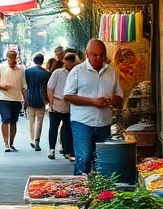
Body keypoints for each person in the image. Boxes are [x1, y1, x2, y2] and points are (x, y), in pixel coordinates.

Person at [64, 39, 124, 175]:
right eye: (94, 55)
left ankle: (100, 194)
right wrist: (93, 101)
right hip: (82, 123)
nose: (98, 58)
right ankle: (80, 192)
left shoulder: (111, 72)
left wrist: (113, 100)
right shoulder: (77, 71)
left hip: (104, 123)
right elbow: (67, 96)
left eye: (101, 55)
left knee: (102, 161)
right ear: (87, 54)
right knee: (84, 158)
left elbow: (119, 97)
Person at [0, 49, 27, 152]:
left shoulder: (21, 69)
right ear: (7, 58)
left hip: (16, 98)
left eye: (15, 57)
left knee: (14, 121)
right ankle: (6, 143)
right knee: (6, 119)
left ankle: (11, 142)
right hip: (3, 98)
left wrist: (25, 100)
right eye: (11, 58)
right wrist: (3, 86)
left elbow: (24, 86)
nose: (13, 60)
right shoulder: (0, 67)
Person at [46, 50, 78, 160]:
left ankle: (67, 150)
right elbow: (50, 88)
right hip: (56, 104)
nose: (66, 64)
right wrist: (50, 104)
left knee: (68, 129)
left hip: (70, 106)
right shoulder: (58, 73)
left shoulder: (76, 73)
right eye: (66, 62)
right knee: (53, 128)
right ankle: (51, 149)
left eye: (69, 63)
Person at [24, 52, 50, 151]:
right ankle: (37, 140)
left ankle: (31, 139)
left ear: (34, 60)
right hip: (41, 100)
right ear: (42, 61)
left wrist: (25, 99)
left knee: (31, 121)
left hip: (30, 98)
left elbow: (25, 86)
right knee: (39, 121)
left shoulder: (27, 71)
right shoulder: (46, 73)